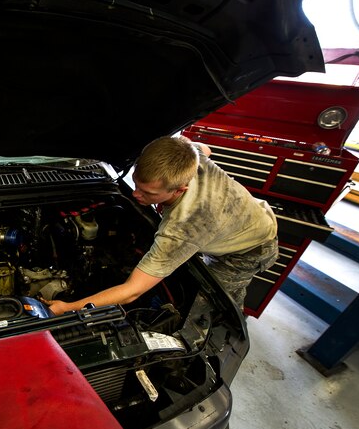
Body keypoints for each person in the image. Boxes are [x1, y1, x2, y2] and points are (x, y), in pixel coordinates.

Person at [44, 135, 278, 315]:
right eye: (136, 183)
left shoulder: (183, 228)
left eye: (148, 192)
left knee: (211, 307)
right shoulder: (186, 154)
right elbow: (205, 149)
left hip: (249, 248)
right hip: (240, 215)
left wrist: (68, 307)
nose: (135, 195)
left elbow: (131, 292)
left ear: (180, 189)